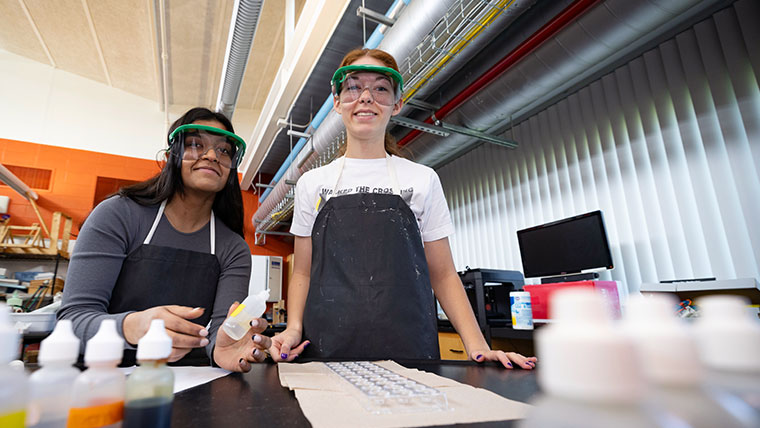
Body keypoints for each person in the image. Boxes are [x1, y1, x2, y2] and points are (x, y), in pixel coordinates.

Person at [269, 49, 537, 369]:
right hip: (326, 351)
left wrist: (478, 347)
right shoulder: (313, 183)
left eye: (381, 88)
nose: (366, 97)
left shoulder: (423, 179)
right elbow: (302, 271)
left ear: (396, 104)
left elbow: (444, 275)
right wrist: (293, 328)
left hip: (410, 350)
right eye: (354, 86)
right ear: (337, 101)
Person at [58, 107, 271, 371]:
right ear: (173, 154)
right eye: (195, 144)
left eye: (224, 150)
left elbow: (220, 332)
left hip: (188, 381)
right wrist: (132, 327)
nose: (211, 156)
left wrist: (223, 347)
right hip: (103, 376)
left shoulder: (233, 248)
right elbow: (73, 321)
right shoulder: (118, 215)